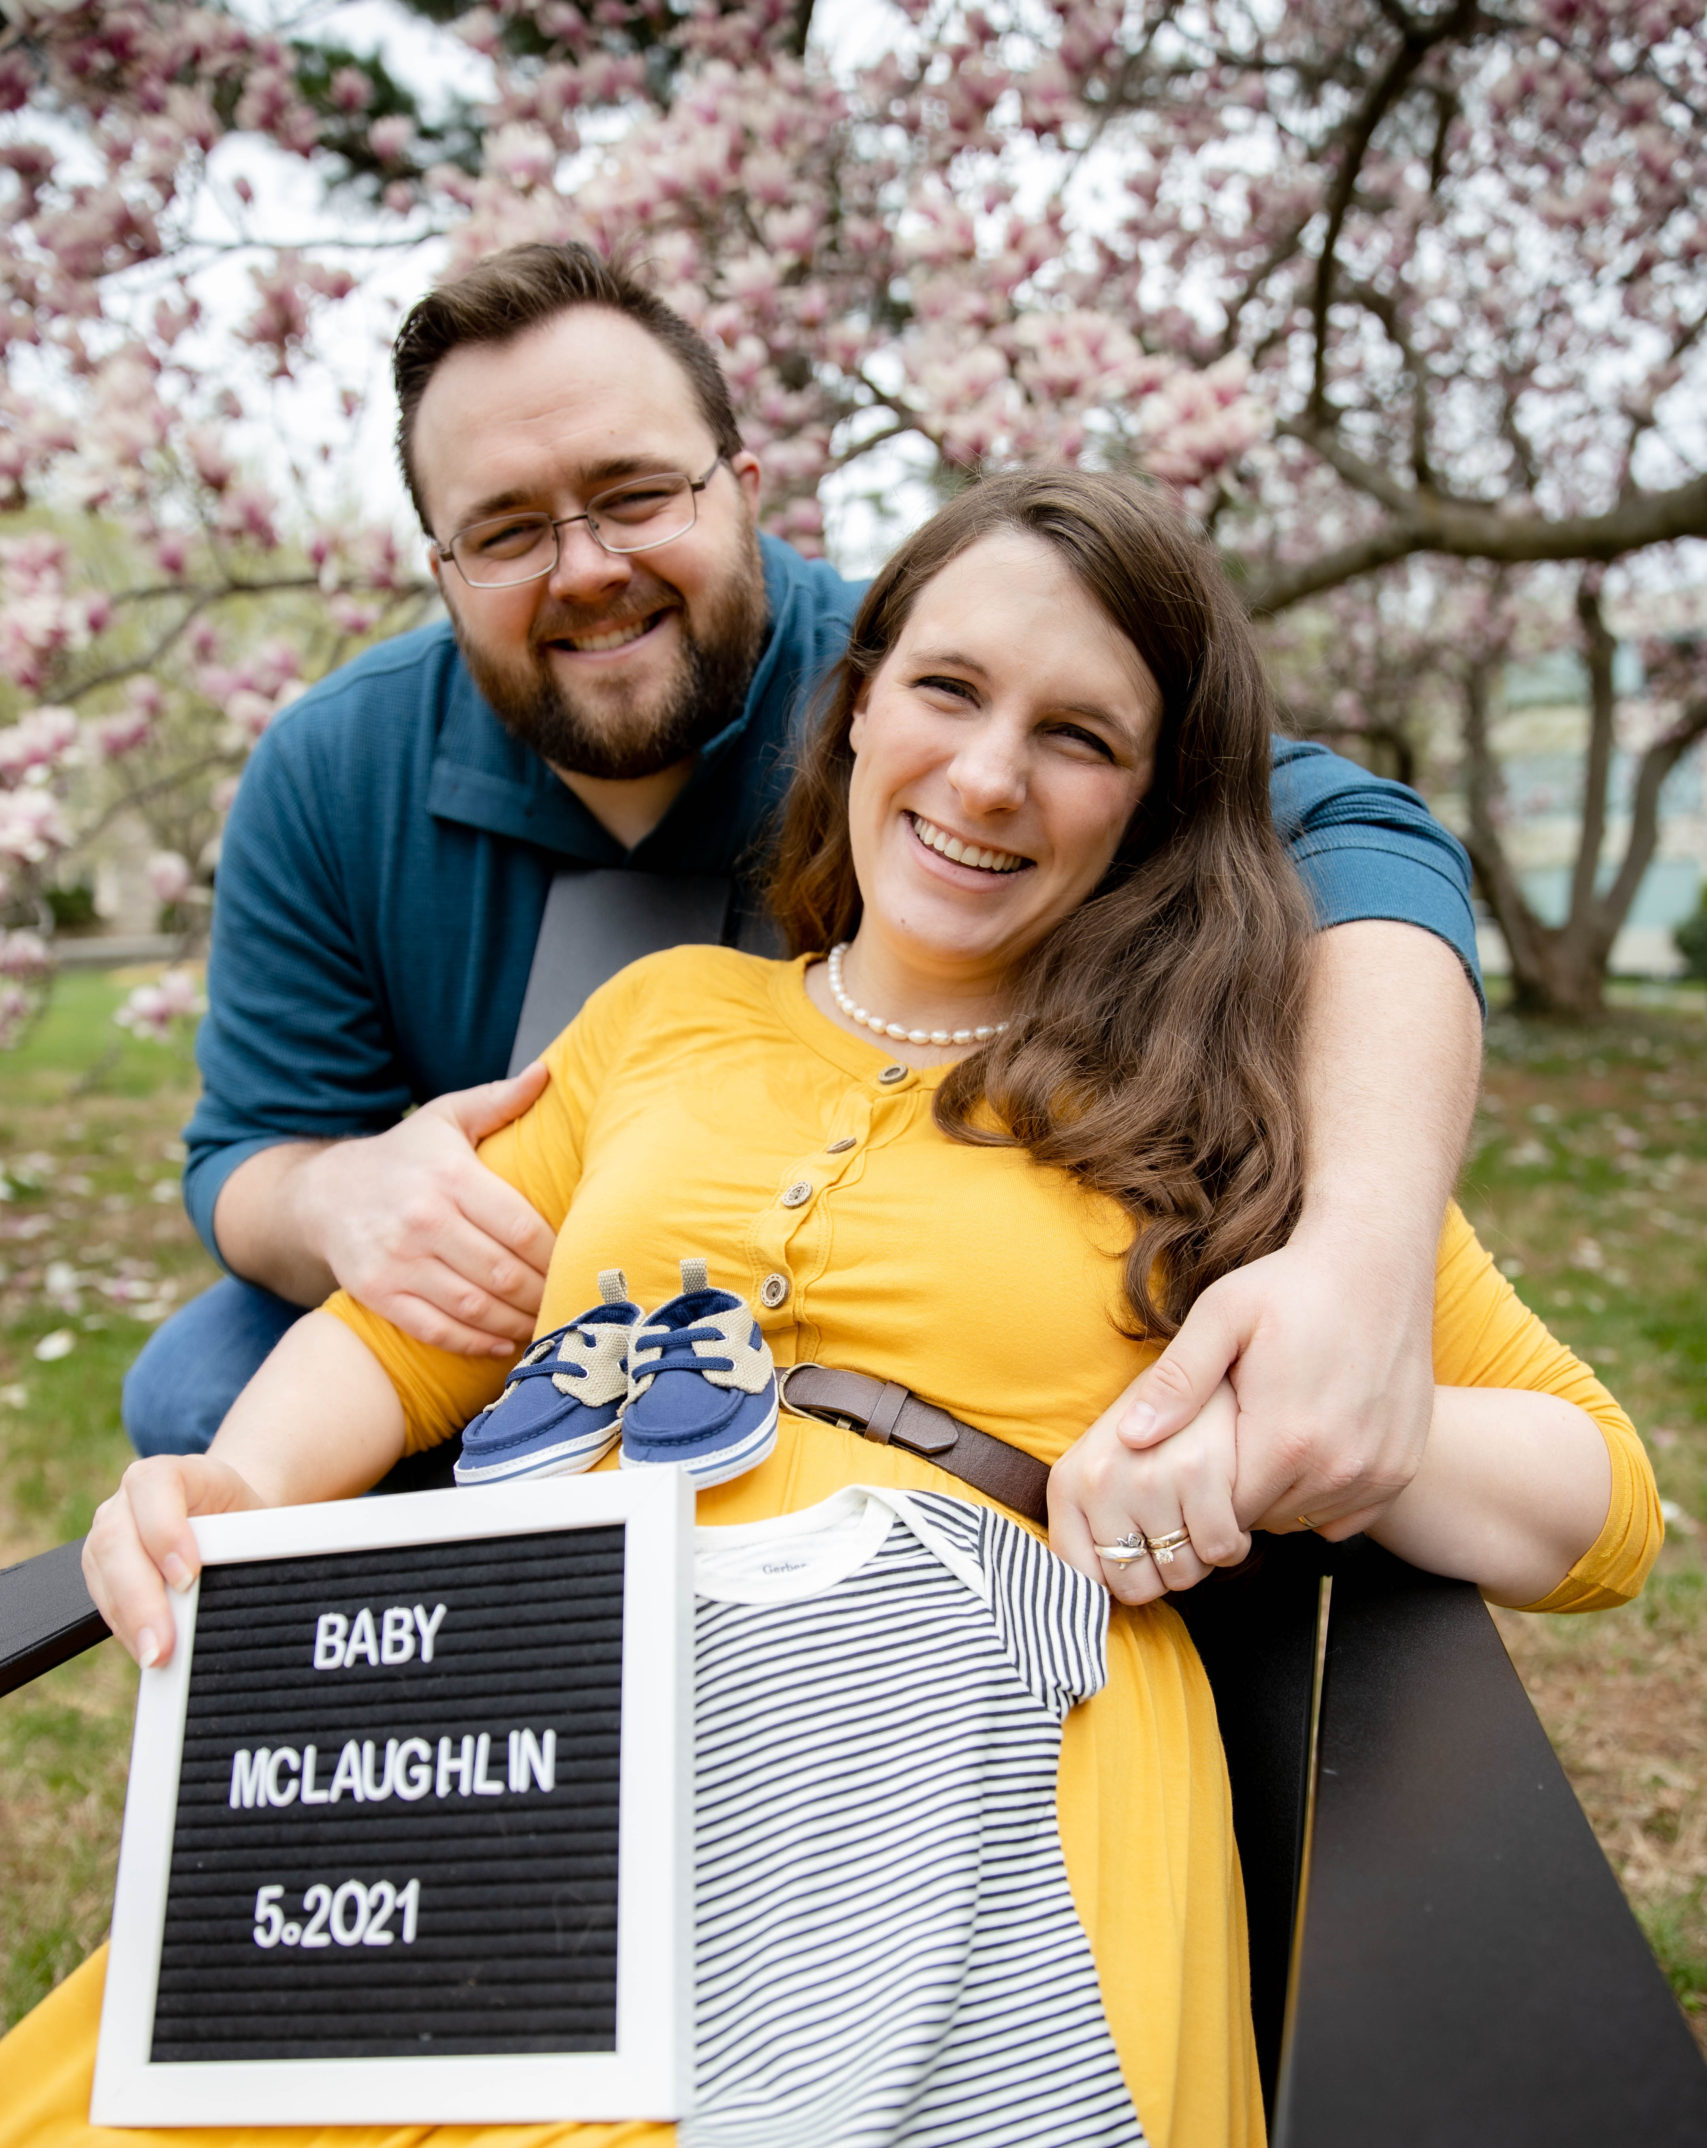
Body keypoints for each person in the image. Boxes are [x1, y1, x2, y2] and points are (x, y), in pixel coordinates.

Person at [6, 471, 1657, 2148]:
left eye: (1078, 734)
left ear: (1154, 802)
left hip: (934, 1783)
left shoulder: (1230, 1103)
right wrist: (232, 1480)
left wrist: (1304, 1430)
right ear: (858, 703)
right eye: (946, 691)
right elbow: (408, 1333)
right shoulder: (663, 1024)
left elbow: (1600, 1500)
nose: (988, 776)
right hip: (519, 1731)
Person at [121, 243, 1486, 1567]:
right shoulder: (332, 769)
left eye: (635, 495)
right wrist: (337, 1196)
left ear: (743, 488)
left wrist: (1360, 1262)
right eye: (509, 531)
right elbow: (245, 1152)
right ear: (444, 566)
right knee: (200, 1387)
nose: (585, 568)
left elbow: (1357, 839)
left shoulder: (927, 692)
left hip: (876, 1348)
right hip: (521, 1296)